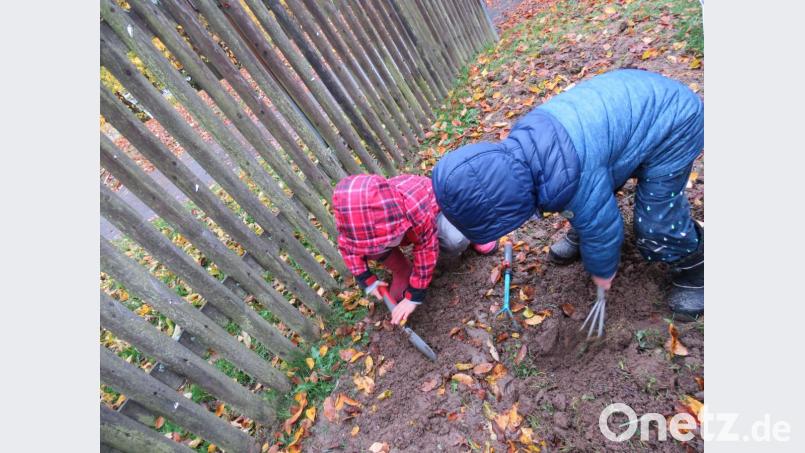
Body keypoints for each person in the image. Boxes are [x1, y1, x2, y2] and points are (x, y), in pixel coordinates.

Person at [431, 69, 704, 319]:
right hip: (627, 104)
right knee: (587, 191)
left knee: (656, 222)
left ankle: (696, 272)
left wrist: (603, 271)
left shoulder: (568, 175)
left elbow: (603, 230)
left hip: (674, 123)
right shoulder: (527, 148)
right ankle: (582, 231)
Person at [333, 174, 498, 324]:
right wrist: (368, 280)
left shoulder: (414, 209)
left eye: (383, 242)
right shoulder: (352, 227)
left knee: (454, 239)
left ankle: (475, 234)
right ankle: (403, 271)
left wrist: (414, 295)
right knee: (370, 248)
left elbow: (426, 248)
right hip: (405, 228)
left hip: (438, 211)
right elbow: (349, 250)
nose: (379, 248)